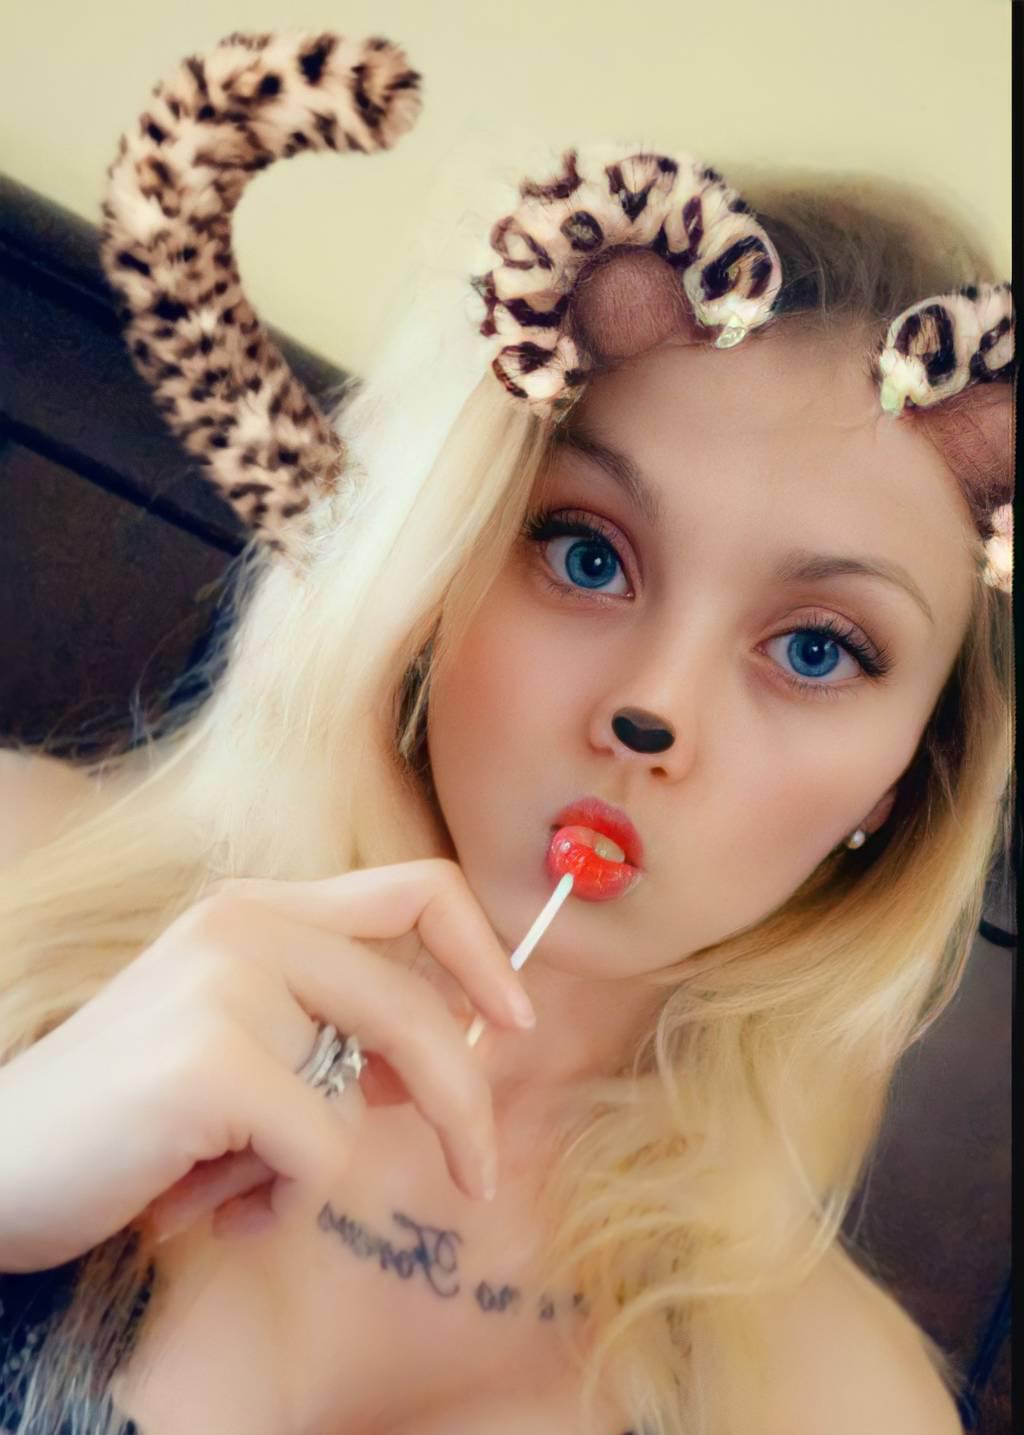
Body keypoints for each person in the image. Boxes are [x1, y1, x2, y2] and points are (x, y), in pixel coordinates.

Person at [0, 26, 1013, 1435]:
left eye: (815, 650)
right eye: (587, 555)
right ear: (439, 567)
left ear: (903, 787)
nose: (652, 713)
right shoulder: (16, 879)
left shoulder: (841, 1405)